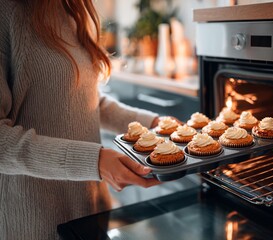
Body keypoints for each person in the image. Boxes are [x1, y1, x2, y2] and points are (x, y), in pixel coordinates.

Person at [0, 0, 165, 239]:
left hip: (91, 207)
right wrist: (95, 161)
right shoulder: (6, 12)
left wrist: (151, 124)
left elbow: (86, 100)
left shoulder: (72, 9)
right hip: (34, 221)